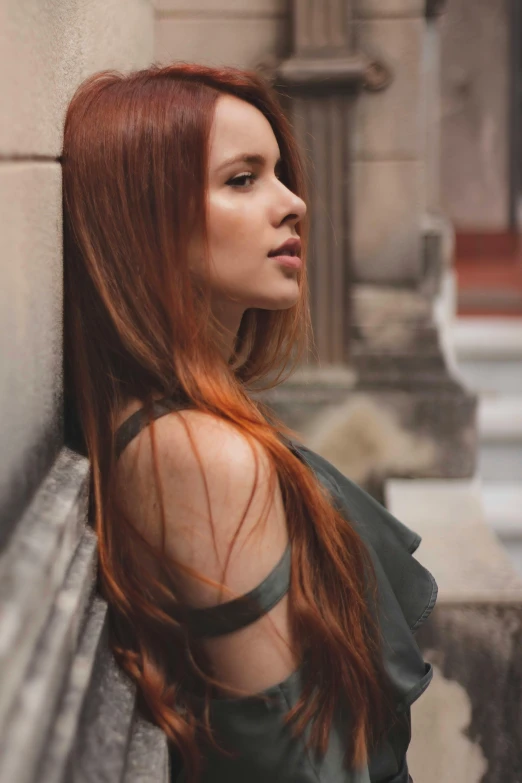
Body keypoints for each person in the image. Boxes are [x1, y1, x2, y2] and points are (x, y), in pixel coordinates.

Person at [62, 62, 437, 783]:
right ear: (148, 215)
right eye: (243, 179)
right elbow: (289, 763)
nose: (294, 202)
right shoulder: (206, 456)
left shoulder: (183, 419)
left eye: (280, 174)